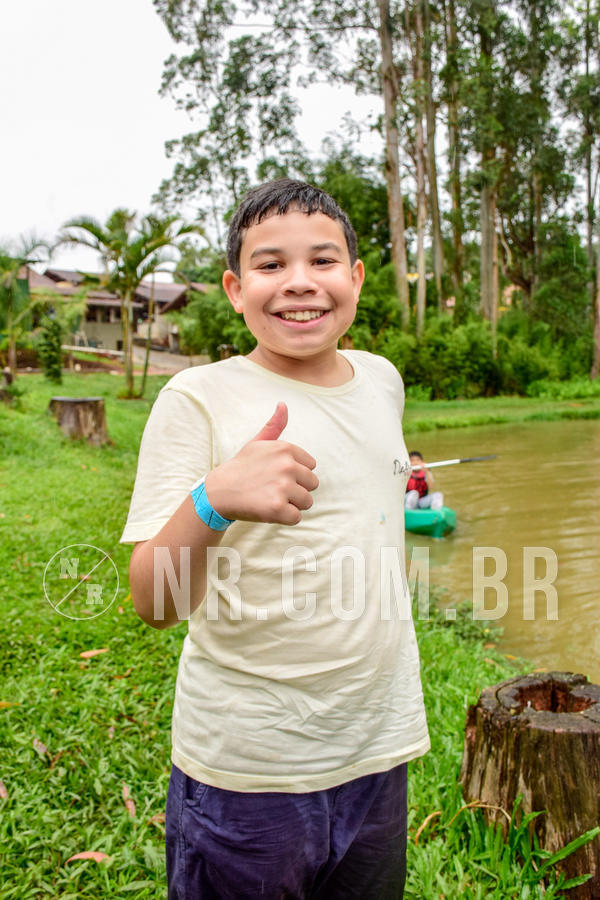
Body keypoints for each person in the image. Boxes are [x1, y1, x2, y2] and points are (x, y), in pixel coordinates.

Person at [122, 178, 430, 899]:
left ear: (355, 278)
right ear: (235, 287)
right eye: (270, 265)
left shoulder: (382, 381)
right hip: (250, 770)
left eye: (322, 261)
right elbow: (154, 601)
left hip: (377, 749)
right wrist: (214, 500)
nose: (300, 284)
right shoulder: (198, 398)